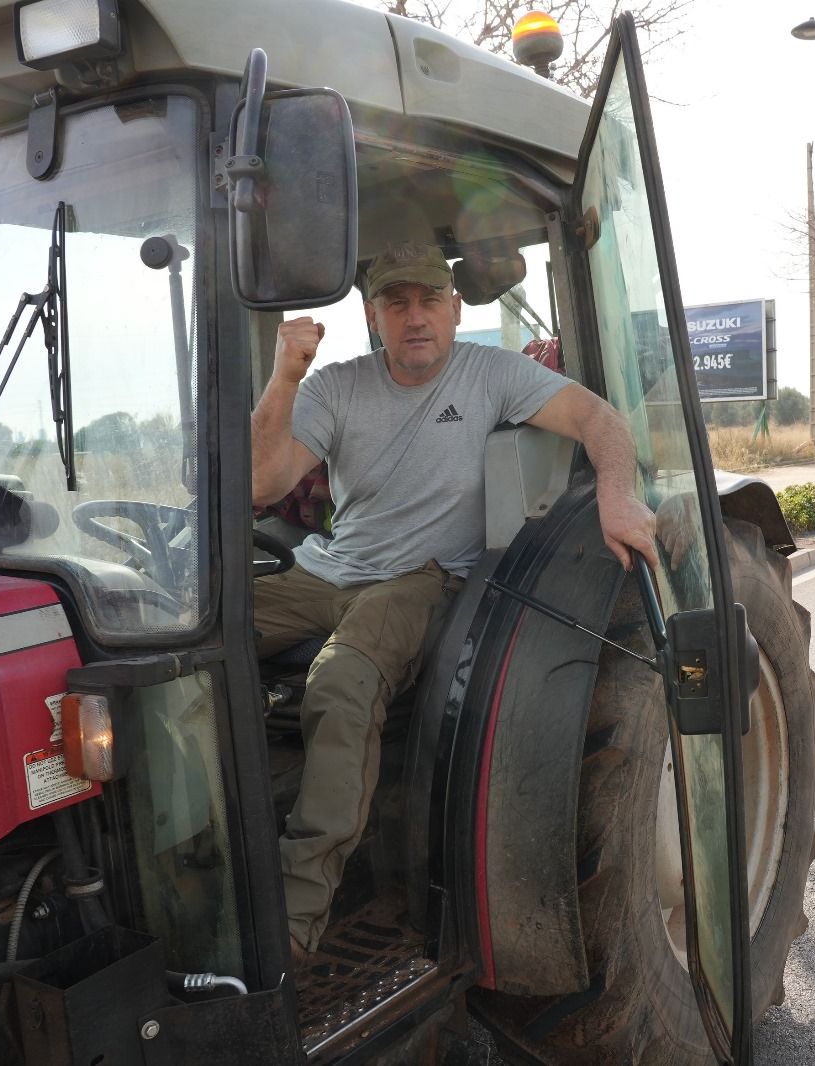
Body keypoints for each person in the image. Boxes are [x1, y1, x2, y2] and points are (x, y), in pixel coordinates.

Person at [248, 242, 658, 960]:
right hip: (327, 569)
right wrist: (285, 376)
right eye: (396, 303)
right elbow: (262, 481)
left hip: (422, 576)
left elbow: (602, 422)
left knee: (342, 680)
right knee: (186, 635)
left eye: (429, 301)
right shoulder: (335, 387)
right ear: (373, 316)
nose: (415, 318)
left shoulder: (493, 373)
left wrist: (618, 496)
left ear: (454, 308)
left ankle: (292, 923)